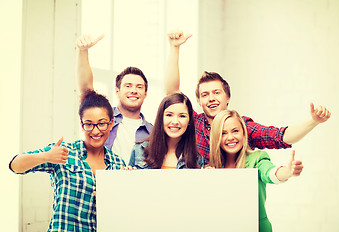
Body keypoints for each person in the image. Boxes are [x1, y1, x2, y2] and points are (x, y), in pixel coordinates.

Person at [165, 31, 331, 162]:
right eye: (205, 94)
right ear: (199, 101)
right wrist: (174, 48)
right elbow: (172, 93)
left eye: (217, 92)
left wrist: (313, 121)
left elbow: (280, 136)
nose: (211, 98)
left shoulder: (241, 126)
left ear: (228, 97)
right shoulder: (194, 123)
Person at [9, 90, 125, 232]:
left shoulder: (118, 164)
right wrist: (46, 156)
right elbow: (15, 165)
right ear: (82, 125)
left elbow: (122, 211)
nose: (95, 131)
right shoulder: (63, 153)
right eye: (89, 124)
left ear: (111, 123)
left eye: (101, 123)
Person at [209, 110, 303, 232]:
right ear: (216, 138)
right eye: (223, 133)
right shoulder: (212, 168)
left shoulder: (257, 158)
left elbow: (270, 173)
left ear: (243, 133)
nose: (230, 137)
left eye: (235, 131)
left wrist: (288, 172)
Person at [76, 34, 152, 164]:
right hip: (101, 181)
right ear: (117, 91)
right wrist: (83, 51)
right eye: (128, 86)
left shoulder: (153, 132)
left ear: (145, 93)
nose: (133, 90)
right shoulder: (102, 118)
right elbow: (86, 90)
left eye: (139, 87)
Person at [129, 93, 204, 169]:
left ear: (189, 121)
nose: (175, 122)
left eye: (182, 116)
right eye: (169, 115)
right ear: (161, 117)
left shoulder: (197, 160)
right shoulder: (139, 151)